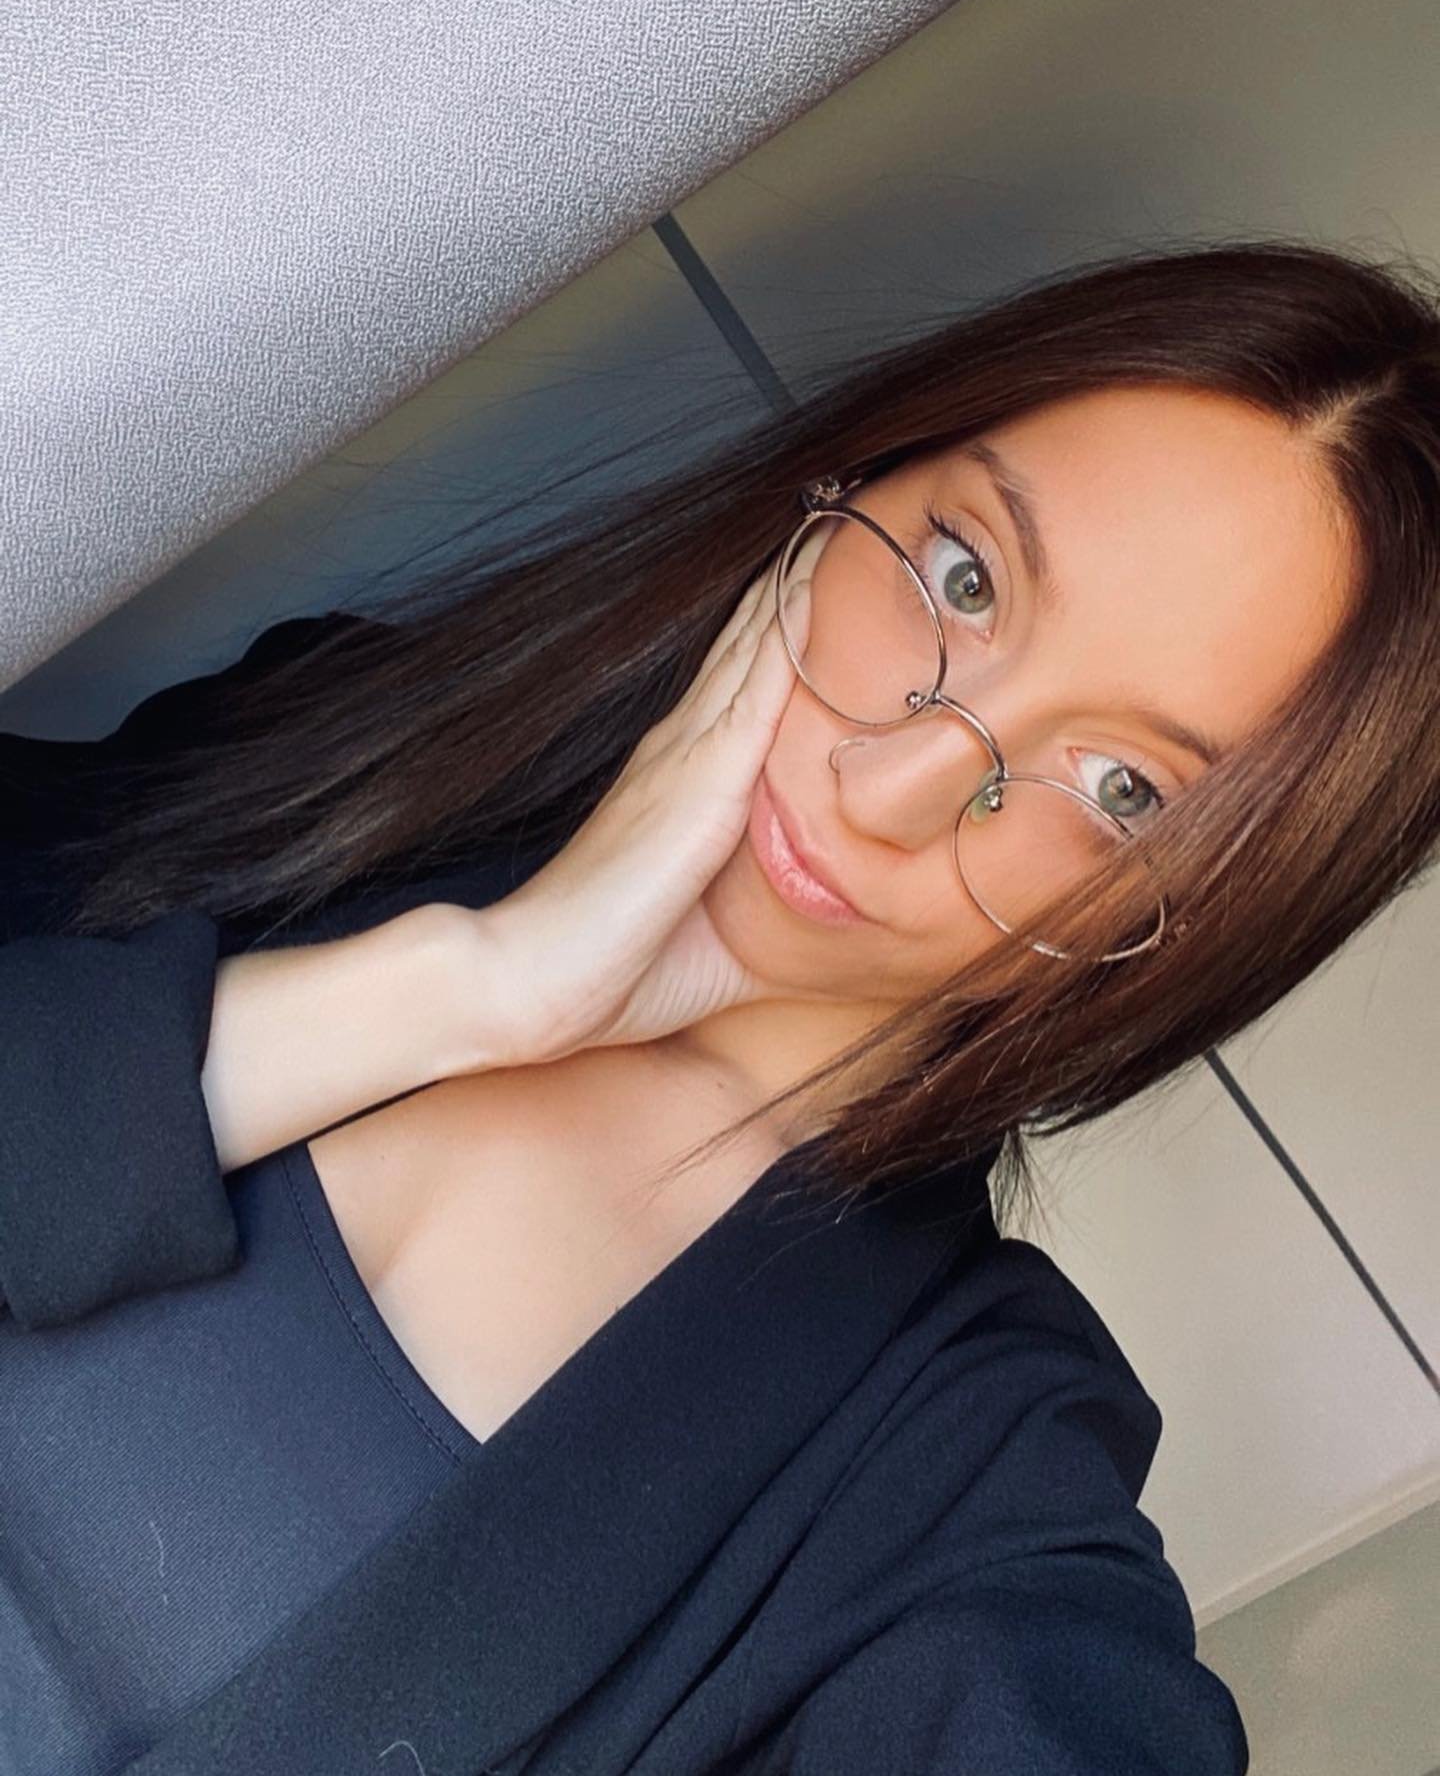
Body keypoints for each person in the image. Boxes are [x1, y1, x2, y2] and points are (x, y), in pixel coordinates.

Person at [3, 239, 1438, 1773]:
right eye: (964, 577)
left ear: (1196, 930)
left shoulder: (954, 1479)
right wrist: (458, 991)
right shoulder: (373, 745)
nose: (891, 785)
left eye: (1124, 790)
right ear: (857, 479)